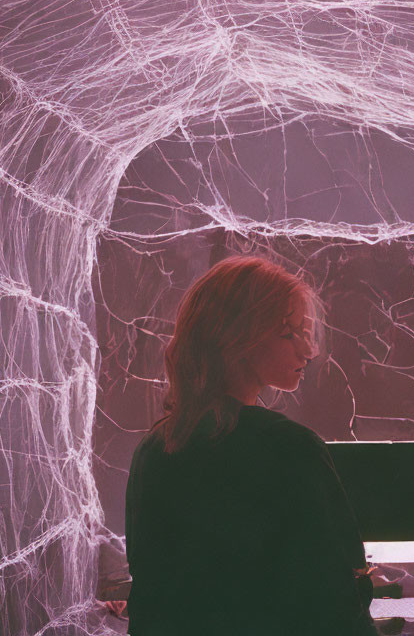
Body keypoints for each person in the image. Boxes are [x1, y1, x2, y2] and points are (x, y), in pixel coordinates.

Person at [124, 255, 376, 635]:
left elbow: (151, 601)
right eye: (288, 333)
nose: (308, 350)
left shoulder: (154, 450)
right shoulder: (291, 448)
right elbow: (338, 606)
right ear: (238, 338)